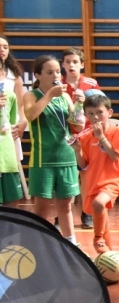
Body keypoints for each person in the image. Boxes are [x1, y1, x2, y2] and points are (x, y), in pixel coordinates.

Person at [21, 55, 85, 245]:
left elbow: (78, 126)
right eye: (49, 72)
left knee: (65, 206)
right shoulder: (31, 95)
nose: (56, 75)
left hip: (66, 157)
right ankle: (37, 244)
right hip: (44, 159)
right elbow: (31, 115)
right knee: (42, 208)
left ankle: (71, 244)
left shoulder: (64, 97)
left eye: (57, 71)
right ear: (37, 75)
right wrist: (49, 95)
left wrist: (79, 104)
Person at [74, 91, 119, 253]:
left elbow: (114, 156)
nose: (95, 117)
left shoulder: (117, 131)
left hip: (112, 181)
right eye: (90, 113)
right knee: (104, 221)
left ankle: (97, 238)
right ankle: (108, 255)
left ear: (109, 113)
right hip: (93, 182)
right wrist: (77, 150)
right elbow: (83, 165)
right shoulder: (85, 137)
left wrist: (101, 137)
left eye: (99, 112)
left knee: (99, 203)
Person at [61, 47, 99, 229]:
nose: (71, 65)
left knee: (86, 176)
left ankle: (87, 213)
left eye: (75, 62)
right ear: (63, 65)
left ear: (82, 64)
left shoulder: (91, 84)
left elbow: (99, 108)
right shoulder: (58, 85)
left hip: (86, 136)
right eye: (68, 61)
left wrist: (85, 101)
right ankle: (62, 213)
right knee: (67, 177)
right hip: (65, 137)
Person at [0, 35, 27, 207]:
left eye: (5, 47)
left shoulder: (14, 76)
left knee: (11, 191)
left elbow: (21, 105)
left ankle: (10, 222)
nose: (2, 50)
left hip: (8, 134)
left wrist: (23, 122)